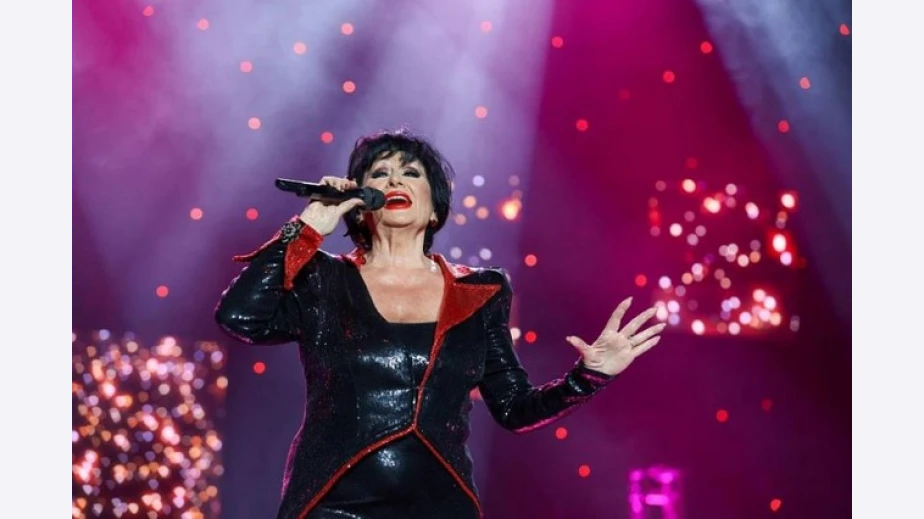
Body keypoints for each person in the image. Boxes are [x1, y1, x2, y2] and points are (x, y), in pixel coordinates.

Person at [215, 129, 665, 519]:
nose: (394, 180)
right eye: (379, 173)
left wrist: (589, 376)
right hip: (333, 501)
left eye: (410, 172)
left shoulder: (481, 292)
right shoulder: (324, 279)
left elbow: (514, 408)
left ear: (434, 209)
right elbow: (239, 317)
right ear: (360, 204)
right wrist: (309, 226)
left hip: (440, 502)